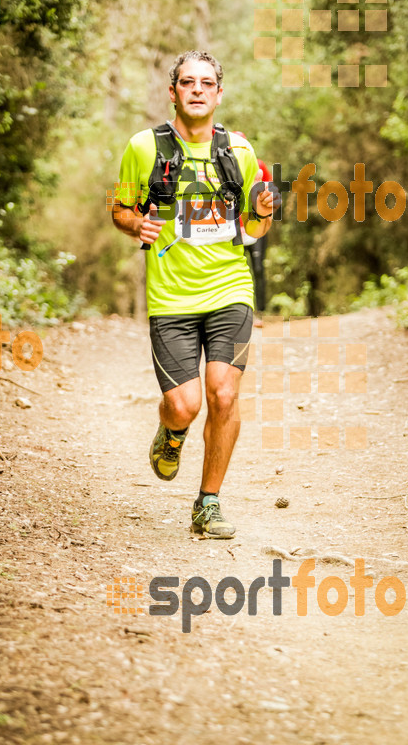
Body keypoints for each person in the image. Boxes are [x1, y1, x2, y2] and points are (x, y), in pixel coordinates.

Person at [112, 50, 279, 539]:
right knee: (184, 405)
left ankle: (209, 501)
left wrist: (264, 210)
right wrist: (134, 223)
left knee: (224, 394)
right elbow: (121, 209)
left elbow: (252, 229)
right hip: (171, 299)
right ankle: (172, 433)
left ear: (220, 93)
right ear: (174, 92)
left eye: (207, 83)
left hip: (230, 288)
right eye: (189, 82)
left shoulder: (239, 152)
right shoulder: (144, 148)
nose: (198, 90)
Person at [233, 132, 272, 327]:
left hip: (255, 226)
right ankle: (238, 314)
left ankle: (260, 313)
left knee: (258, 269)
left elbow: (269, 193)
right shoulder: (222, 169)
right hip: (233, 228)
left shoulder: (260, 166)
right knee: (236, 269)